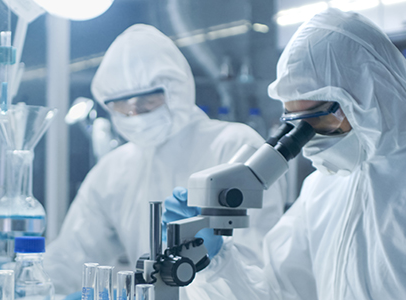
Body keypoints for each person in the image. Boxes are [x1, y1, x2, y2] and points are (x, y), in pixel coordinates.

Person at [167, 8, 406, 299]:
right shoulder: (322, 189)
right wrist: (212, 261)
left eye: (320, 118)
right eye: (295, 124)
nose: (309, 139)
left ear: (372, 96)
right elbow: (278, 293)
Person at [44, 24, 287, 295]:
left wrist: (212, 260)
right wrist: (32, 284)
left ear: (177, 89)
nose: (135, 114)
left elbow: (257, 270)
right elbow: (70, 257)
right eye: (122, 106)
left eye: (147, 102)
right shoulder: (113, 169)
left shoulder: (235, 146)